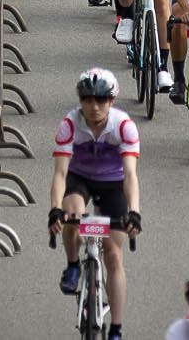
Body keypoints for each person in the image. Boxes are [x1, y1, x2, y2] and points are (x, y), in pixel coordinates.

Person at [50, 68, 144, 339]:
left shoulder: (123, 125)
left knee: (114, 256)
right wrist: (55, 209)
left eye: (101, 101)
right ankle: (73, 264)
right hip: (80, 179)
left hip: (113, 183)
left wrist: (134, 212)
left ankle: (116, 327)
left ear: (111, 101)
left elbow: (130, 175)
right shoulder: (69, 124)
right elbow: (60, 173)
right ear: (81, 101)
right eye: (88, 100)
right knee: (72, 215)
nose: (94, 107)